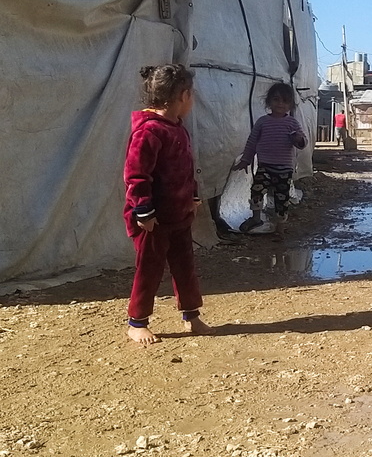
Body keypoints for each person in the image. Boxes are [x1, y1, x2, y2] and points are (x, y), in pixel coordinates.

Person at [123, 64, 214, 345]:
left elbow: (184, 168)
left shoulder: (177, 129)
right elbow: (136, 175)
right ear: (183, 95)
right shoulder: (148, 131)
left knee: (184, 267)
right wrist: (144, 211)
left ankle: (191, 315)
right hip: (154, 220)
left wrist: (192, 197)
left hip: (179, 215)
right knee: (149, 269)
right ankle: (137, 322)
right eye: (192, 94)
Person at [233, 82, 308, 233]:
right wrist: (246, 160)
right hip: (265, 166)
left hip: (284, 169)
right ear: (268, 101)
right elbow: (252, 141)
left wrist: (298, 139)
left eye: (285, 101)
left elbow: (302, 143)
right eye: (276, 99)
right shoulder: (262, 122)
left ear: (290, 105)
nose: (280, 104)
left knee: (282, 198)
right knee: (256, 191)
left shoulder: (292, 123)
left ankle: (280, 226)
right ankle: (256, 218)